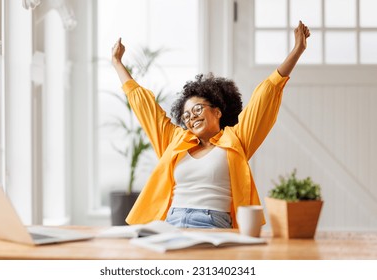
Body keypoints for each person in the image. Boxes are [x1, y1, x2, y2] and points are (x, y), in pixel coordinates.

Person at [111, 21, 310, 228]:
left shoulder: (236, 140)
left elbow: (266, 95)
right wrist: (117, 63)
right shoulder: (176, 141)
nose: (191, 117)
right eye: (186, 115)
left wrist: (297, 51)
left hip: (212, 221)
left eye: (197, 109)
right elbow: (145, 107)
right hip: (172, 221)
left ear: (217, 111)